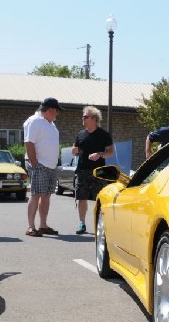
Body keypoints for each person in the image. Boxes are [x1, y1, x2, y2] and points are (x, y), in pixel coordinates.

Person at [23, 97, 62, 237]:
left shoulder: (50, 123)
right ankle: (31, 227)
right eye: (57, 111)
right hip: (39, 164)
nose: (57, 114)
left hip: (50, 166)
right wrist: (34, 164)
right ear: (50, 110)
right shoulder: (34, 121)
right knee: (36, 195)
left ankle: (43, 225)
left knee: (46, 196)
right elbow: (29, 143)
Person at [72, 106, 114, 234]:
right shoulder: (80, 134)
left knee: (100, 198)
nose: (83, 119)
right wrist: (74, 151)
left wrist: (99, 154)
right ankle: (82, 224)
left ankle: (100, 224)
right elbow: (75, 149)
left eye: (85, 116)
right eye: (83, 116)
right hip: (82, 170)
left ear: (94, 119)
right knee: (81, 197)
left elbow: (110, 152)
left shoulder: (104, 135)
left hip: (99, 171)